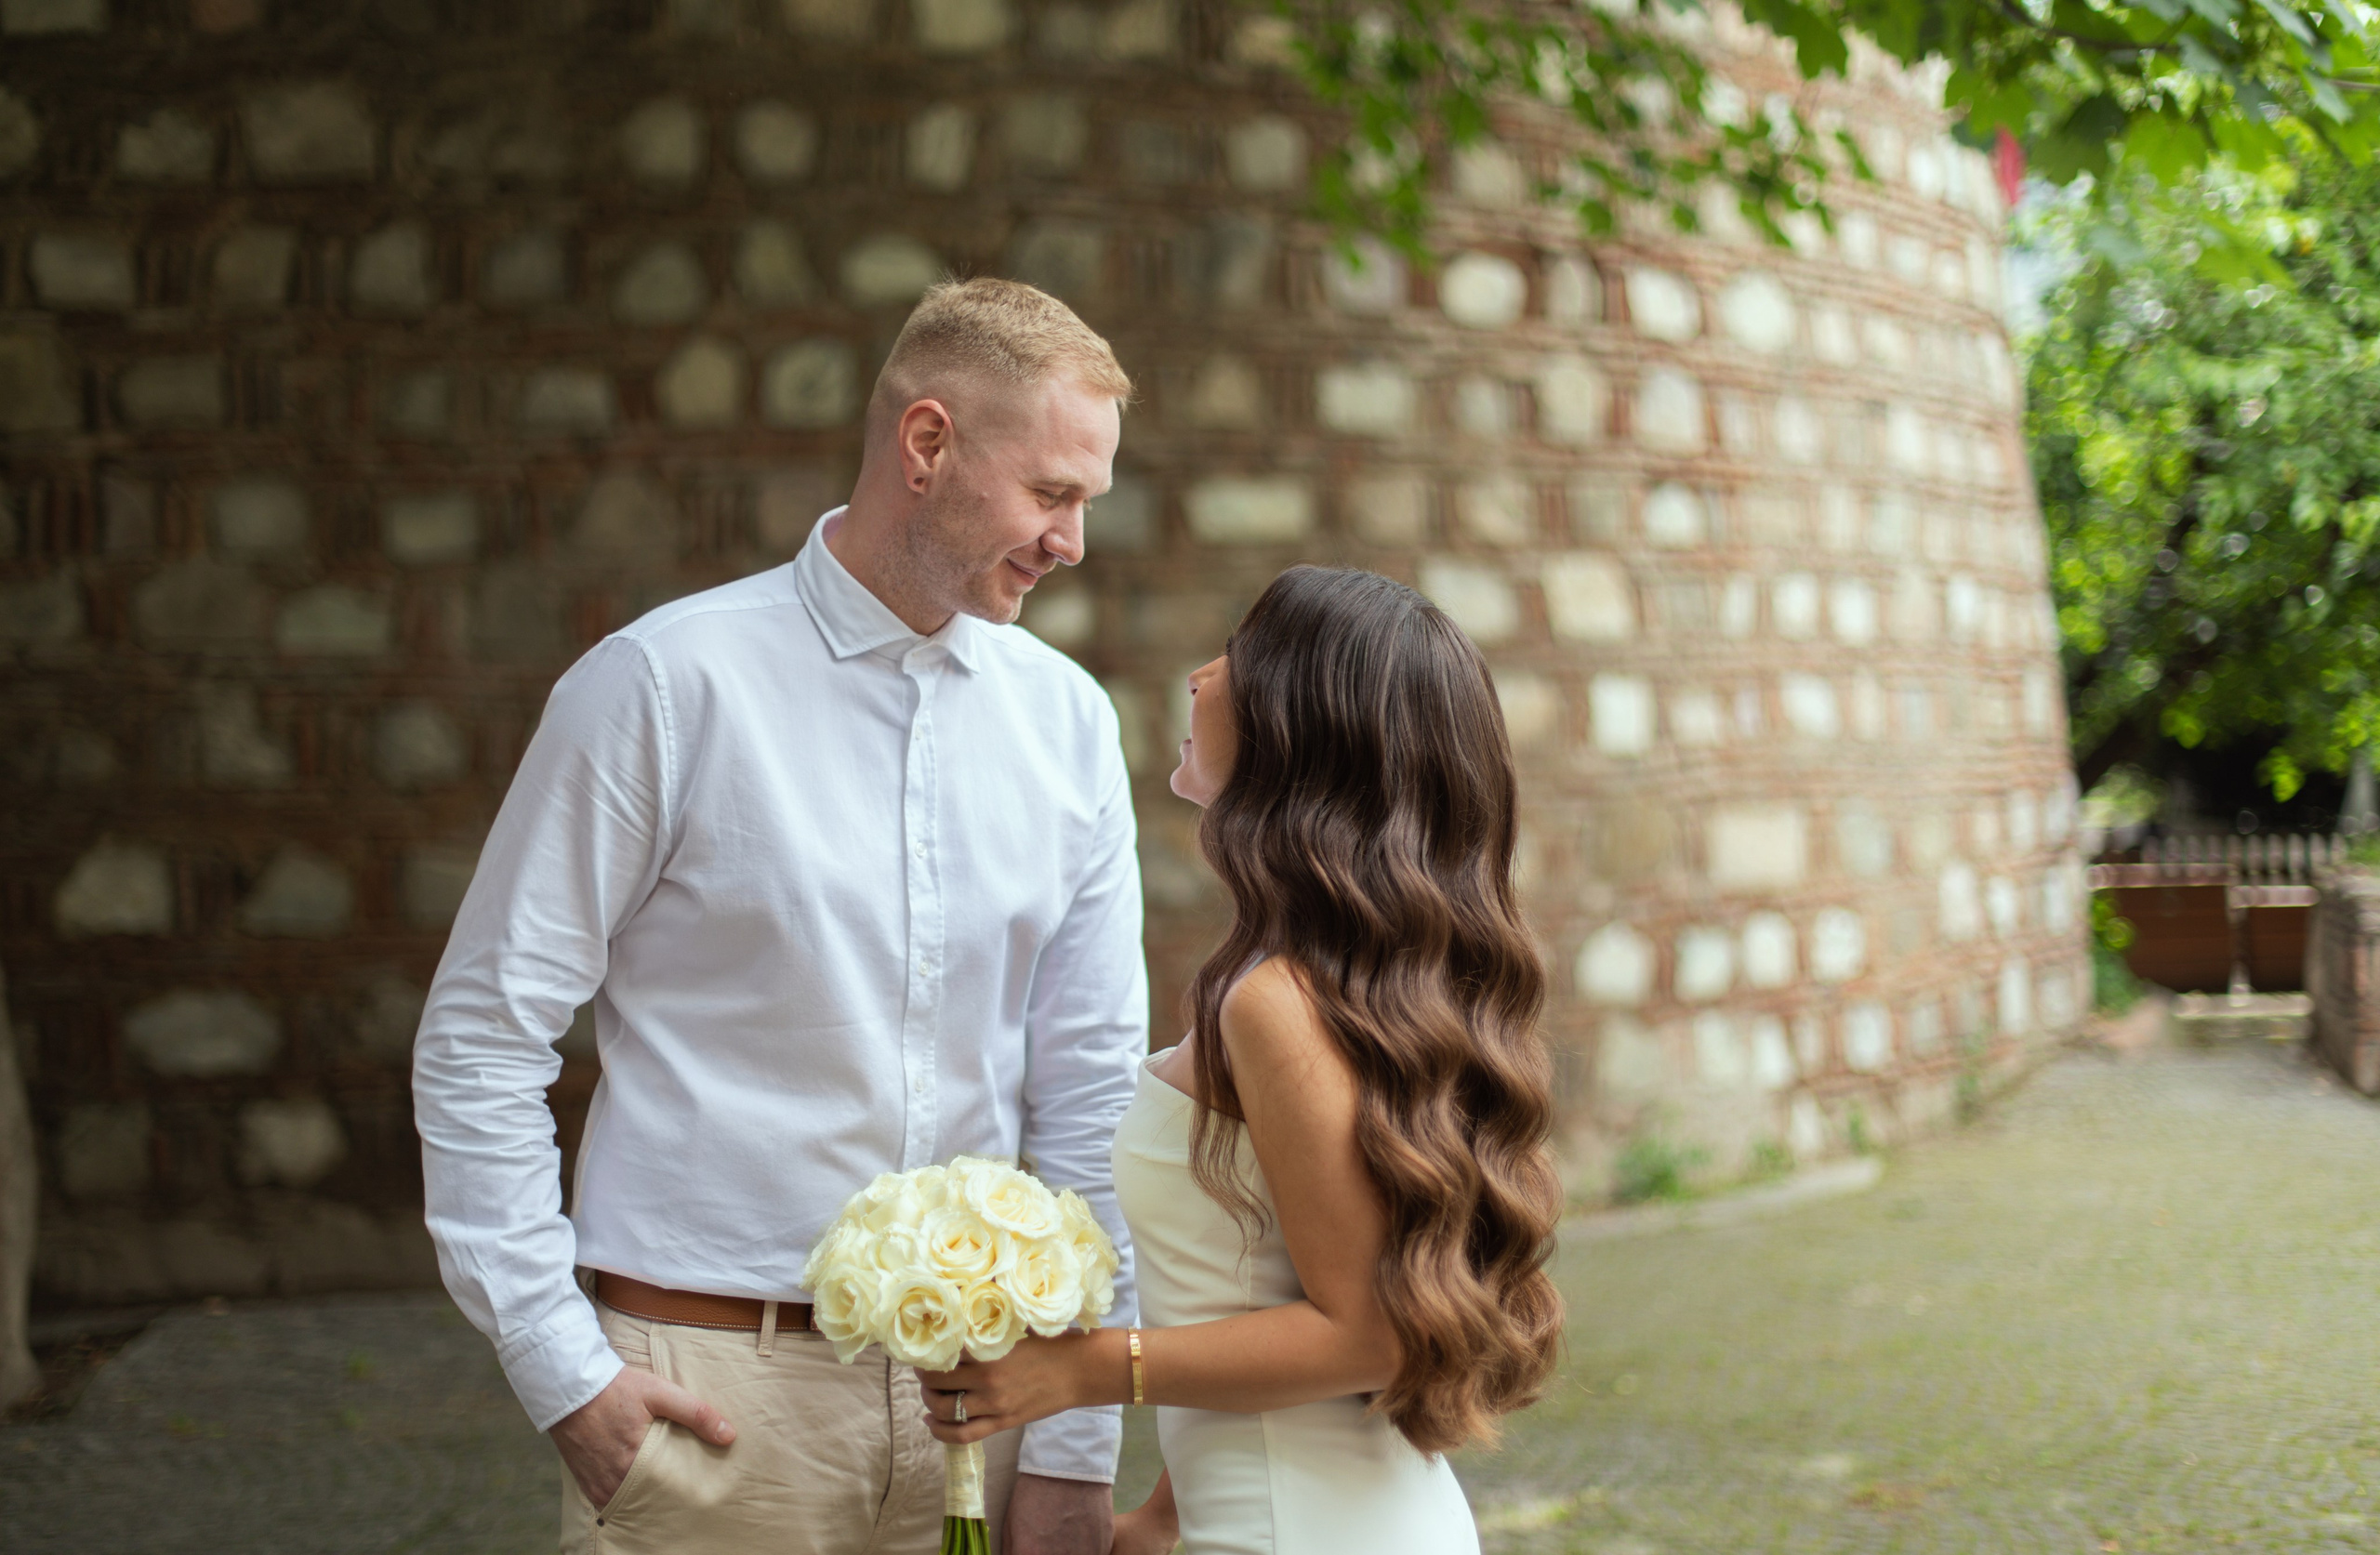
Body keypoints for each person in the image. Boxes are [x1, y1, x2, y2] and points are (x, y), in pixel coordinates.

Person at [412, 277, 1147, 1555]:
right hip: (709, 1403)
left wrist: (1074, 1445)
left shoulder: (1069, 722)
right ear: (927, 444)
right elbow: (482, 1031)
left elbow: (1089, 1087)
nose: (1071, 541)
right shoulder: (661, 686)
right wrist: (562, 1371)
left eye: (1087, 501)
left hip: (986, 1405)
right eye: (1051, 492)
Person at [916, 566, 1567, 1554]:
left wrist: (1086, 1369)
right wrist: (1161, 1517)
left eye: (1239, 655)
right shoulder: (1327, 987)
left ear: (1302, 727)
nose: (1201, 675)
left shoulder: (1275, 1003)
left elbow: (1365, 1332)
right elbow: (1259, 1288)